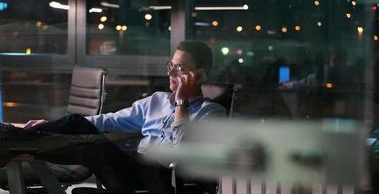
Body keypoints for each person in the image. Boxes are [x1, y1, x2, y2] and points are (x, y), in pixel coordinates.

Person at [0, 41, 226, 194]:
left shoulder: (211, 113)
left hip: (164, 180)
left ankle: (10, 141)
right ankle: (12, 137)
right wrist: (48, 126)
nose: (170, 72)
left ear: (198, 74)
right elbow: (109, 120)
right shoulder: (156, 101)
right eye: (171, 65)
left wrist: (181, 102)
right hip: (133, 169)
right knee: (77, 121)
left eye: (179, 67)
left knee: (95, 147)